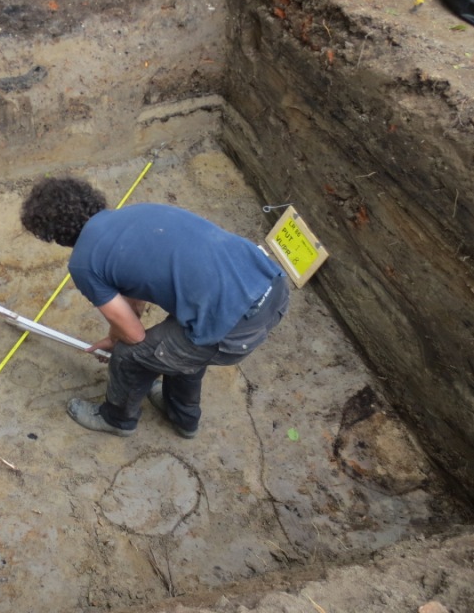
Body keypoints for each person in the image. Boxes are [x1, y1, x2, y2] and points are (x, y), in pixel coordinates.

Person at [20, 176, 289, 438]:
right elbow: (135, 293)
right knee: (183, 342)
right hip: (271, 286)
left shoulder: (83, 263)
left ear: (53, 235)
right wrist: (115, 334)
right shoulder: (139, 211)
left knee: (130, 353)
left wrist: (118, 341)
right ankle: (182, 417)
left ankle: (117, 419)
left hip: (236, 328)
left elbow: (134, 335)